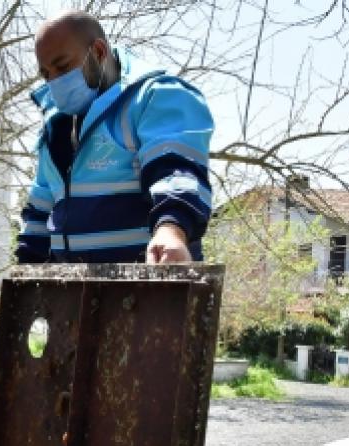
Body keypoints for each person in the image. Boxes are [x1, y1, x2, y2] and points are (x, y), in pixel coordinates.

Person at [16, 10, 214, 265]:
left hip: (148, 289)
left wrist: (170, 231)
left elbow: (176, 172)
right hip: (71, 295)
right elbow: (40, 211)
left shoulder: (156, 97)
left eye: (63, 66)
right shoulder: (55, 127)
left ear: (98, 52)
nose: (54, 81)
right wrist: (21, 278)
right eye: (46, 74)